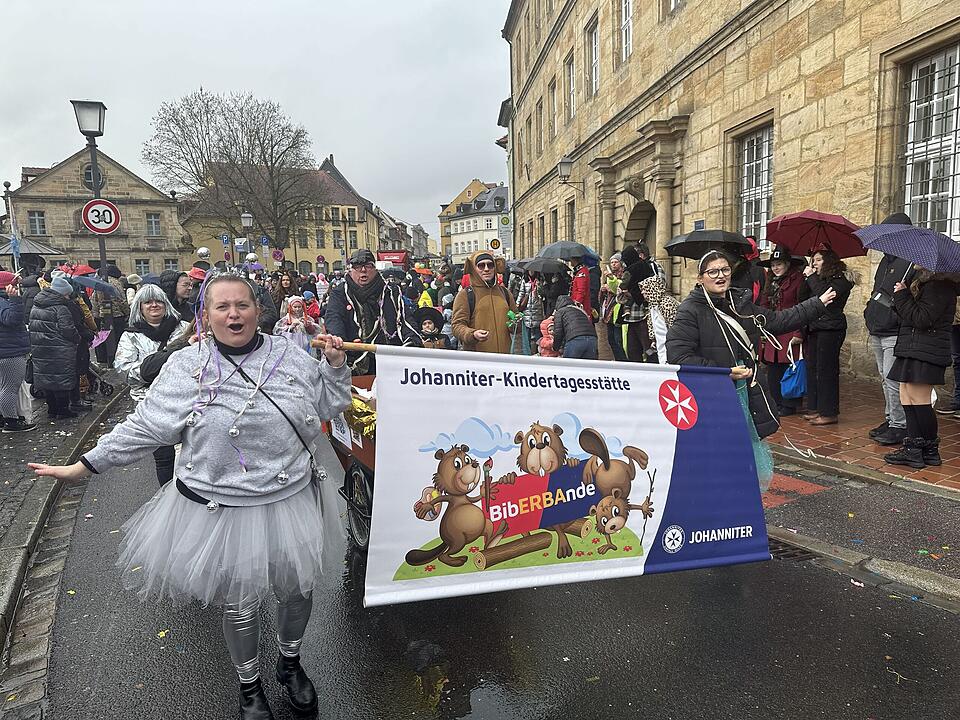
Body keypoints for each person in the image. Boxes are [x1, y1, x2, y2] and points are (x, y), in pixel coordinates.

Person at [29, 272, 352, 720]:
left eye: (242, 305)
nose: (234, 314)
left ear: (258, 311)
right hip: (223, 506)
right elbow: (147, 427)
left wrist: (335, 368)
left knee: (296, 591)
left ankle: (290, 664)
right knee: (240, 603)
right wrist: (86, 465)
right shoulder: (186, 365)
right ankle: (249, 686)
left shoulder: (289, 355)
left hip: (290, 497)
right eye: (222, 306)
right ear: (205, 315)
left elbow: (329, 407)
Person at [666, 250, 835, 439]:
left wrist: (816, 304)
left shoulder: (740, 303)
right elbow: (678, 355)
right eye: (713, 272)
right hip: (712, 393)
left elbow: (778, 320)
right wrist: (724, 371)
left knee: (744, 448)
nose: (721, 275)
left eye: (725, 270)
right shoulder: (690, 310)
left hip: (745, 388)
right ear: (700, 278)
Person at [114, 284, 192, 485]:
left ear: (166, 304)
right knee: (164, 457)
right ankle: (167, 500)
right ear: (139, 307)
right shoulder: (131, 336)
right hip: (152, 404)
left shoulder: (183, 329)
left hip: (186, 401)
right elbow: (124, 370)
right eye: (147, 302)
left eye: (158, 301)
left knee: (192, 453)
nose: (153, 305)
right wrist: (152, 369)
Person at [883, 268, 959, 469]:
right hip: (913, 347)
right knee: (907, 397)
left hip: (927, 350)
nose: (915, 264)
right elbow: (910, 317)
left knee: (920, 401)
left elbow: (922, 319)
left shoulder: (940, 286)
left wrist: (903, 296)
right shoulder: (926, 284)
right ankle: (914, 449)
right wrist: (901, 297)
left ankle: (930, 450)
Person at [324, 249, 421, 374]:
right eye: (357, 266)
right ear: (350, 270)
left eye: (368, 265)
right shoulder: (340, 293)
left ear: (375, 268)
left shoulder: (391, 292)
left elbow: (406, 320)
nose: (363, 270)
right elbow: (333, 318)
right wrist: (339, 340)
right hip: (354, 361)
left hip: (388, 361)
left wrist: (411, 342)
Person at [864, 213, 916, 445]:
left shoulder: (911, 261)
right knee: (885, 380)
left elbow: (909, 297)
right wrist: (869, 311)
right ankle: (891, 418)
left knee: (893, 380)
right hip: (878, 327)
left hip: (894, 331)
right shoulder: (887, 260)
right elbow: (878, 291)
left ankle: (900, 425)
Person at [799, 248, 854, 426]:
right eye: (813, 260)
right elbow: (803, 297)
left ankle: (829, 412)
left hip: (831, 328)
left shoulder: (841, 280)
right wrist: (806, 277)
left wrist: (811, 277)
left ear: (829, 261)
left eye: (819, 260)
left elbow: (824, 296)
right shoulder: (818, 278)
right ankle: (815, 408)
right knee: (813, 368)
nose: (815, 263)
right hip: (815, 326)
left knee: (827, 371)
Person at [758, 245, 806, 416]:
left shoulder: (799, 280)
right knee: (773, 367)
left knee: (790, 366)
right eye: (773, 265)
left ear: (787, 264)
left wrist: (799, 333)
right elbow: (764, 304)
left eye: (779, 264)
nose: (775, 268)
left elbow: (803, 307)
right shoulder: (770, 282)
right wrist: (762, 324)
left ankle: (789, 403)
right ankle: (776, 401)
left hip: (791, 328)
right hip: (774, 329)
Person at [28, 276, 82, 420]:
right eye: (66, 294)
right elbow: (68, 330)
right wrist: (78, 339)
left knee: (47, 379)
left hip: (41, 349)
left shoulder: (36, 305)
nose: (67, 296)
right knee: (61, 380)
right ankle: (63, 411)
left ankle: (52, 409)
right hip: (60, 350)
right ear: (61, 293)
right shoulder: (61, 308)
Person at [451, 251, 518, 354]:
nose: (486, 269)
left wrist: (516, 323)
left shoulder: (505, 293)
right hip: (479, 361)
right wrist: (472, 334)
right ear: (474, 269)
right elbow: (456, 326)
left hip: (505, 359)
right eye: (481, 266)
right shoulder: (465, 295)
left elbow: (515, 322)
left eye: (490, 265)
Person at [0, 271, 36, 432]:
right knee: (10, 388)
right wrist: (15, 300)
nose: (17, 287)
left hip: (7, 349)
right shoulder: (3, 301)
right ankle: (11, 422)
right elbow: (11, 320)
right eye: (15, 284)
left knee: (4, 387)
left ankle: (6, 417)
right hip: (10, 352)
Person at [92, 265, 131, 366]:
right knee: (117, 339)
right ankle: (115, 359)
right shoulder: (116, 283)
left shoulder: (99, 283)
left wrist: (96, 315)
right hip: (117, 316)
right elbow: (122, 300)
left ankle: (103, 359)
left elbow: (94, 301)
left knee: (103, 338)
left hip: (103, 315)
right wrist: (127, 313)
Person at [637, 273, 679, 363]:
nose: (642, 292)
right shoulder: (652, 306)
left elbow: (675, 327)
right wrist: (654, 340)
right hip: (661, 347)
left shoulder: (667, 303)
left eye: (644, 289)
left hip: (672, 349)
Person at [600, 253, 628, 362]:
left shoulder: (624, 274)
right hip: (609, 310)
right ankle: (617, 358)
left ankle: (622, 360)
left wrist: (610, 285)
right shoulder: (609, 275)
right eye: (612, 262)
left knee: (618, 339)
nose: (613, 264)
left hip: (618, 309)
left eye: (615, 262)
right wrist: (603, 290)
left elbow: (620, 289)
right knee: (610, 339)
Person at [568, 256, 593, 320]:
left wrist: (576, 305)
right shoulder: (579, 271)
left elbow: (581, 291)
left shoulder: (582, 273)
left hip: (581, 307)